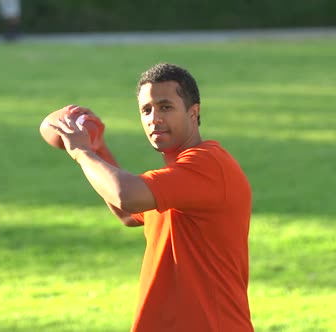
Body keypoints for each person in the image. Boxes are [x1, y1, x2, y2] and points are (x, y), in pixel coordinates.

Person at [49, 63, 254, 332]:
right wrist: (97, 149)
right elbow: (127, 214)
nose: (154, 118)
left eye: (165, 107)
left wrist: (82, 151)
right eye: (146, 110)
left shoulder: (207, 164)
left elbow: (126, 196)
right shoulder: (176, 176)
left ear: (194, 112)